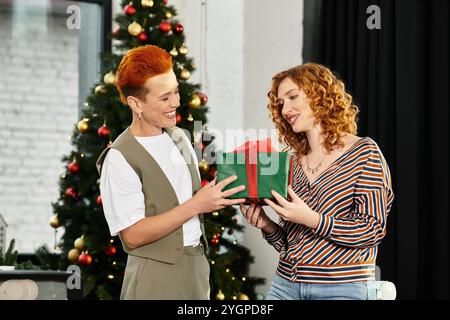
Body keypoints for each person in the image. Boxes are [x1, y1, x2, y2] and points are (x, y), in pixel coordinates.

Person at [96, 45, 246, 300]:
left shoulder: (179, 138)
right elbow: (132, 236)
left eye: (176, 91)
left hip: (196, 266)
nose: (176, 102)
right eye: (164, 98)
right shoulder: (119, 157)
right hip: (154, 277)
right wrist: (196, 205)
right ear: (135, 103)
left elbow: (187, 198)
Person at [239, 63, 394, 300]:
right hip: (286, 285)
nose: (285, 109)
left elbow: (371, 230)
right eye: (280, 103)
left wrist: (312, 219)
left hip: (343, 288)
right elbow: (291, 245)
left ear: (320, 95)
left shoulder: (364, 153)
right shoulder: (290, 163)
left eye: (292, 97)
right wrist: (266, 224)